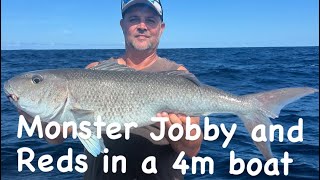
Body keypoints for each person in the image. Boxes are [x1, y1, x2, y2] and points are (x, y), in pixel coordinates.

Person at [20, 0, 203, 179]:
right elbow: (56, 137)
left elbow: (191, 150)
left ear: (161, 28)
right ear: (122, 25)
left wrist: (180, 134)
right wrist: (36, 117)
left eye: (150, 20)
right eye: (133, 19)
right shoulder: (93, 71)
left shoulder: (178, 75)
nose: (142, 26)